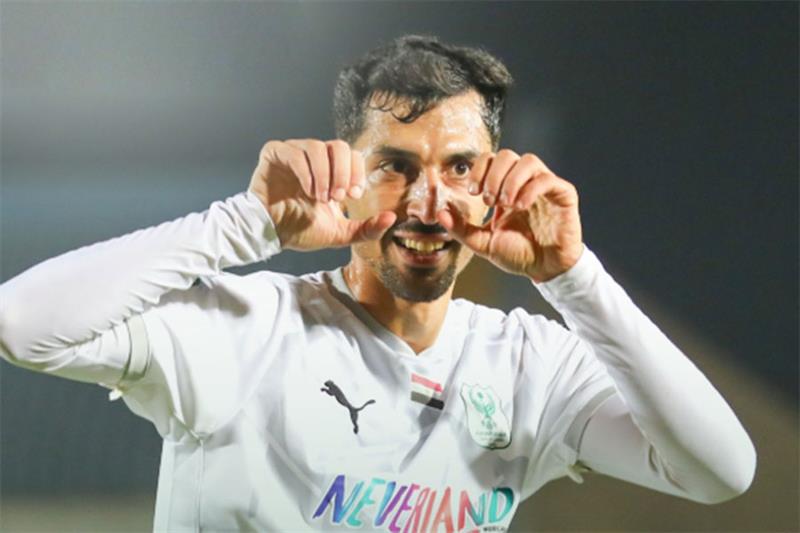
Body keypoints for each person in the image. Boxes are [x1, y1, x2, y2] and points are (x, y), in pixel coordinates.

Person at [0, 34, 755, 532]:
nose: (428, 203)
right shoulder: (243, 324)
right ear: (347, 175)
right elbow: (20, 322)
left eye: (459, 167)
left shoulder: (531, 363)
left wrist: (572, 276)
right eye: (395, 165)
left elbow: (721, 471)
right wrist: (246, 222)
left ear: (492, 181)